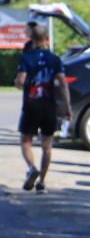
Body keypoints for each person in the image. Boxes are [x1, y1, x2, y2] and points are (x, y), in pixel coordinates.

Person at [15, 25, 71, 194]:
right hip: (49, 106)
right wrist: (68, 108)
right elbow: (62, 84)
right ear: (47, 39)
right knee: (47, 146)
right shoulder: (55, 59)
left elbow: (22, 81)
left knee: (26, 142)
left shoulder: (27, 58)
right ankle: (42, 182)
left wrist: (17, 83)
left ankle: (32, 167)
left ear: (32, 39)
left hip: (32, 105)